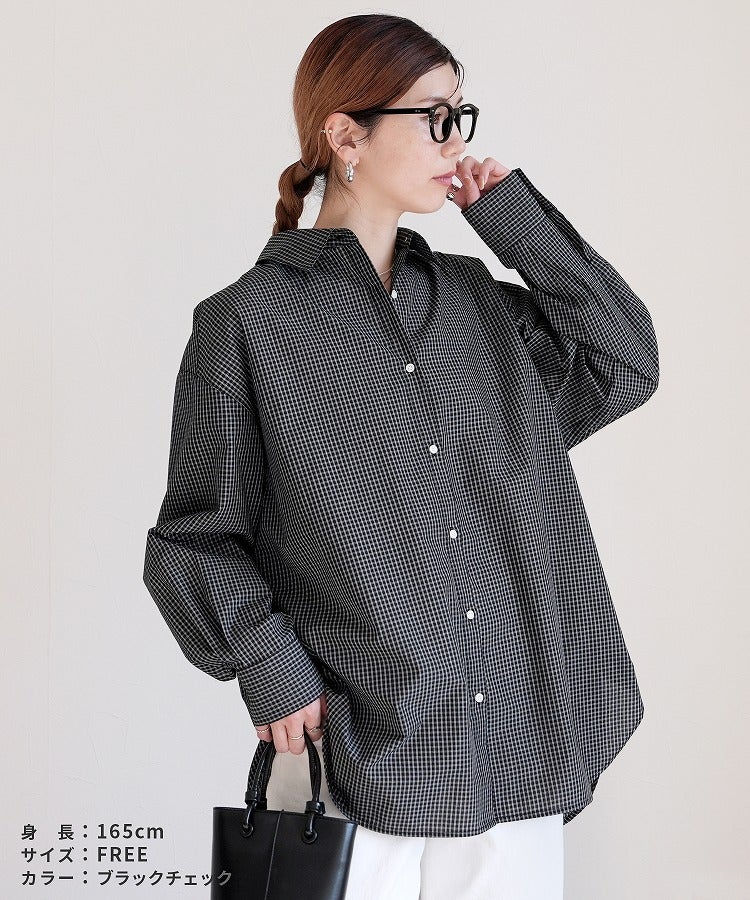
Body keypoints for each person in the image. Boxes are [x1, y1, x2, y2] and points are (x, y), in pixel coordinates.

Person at [142, 13, 659, 900]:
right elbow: (197, 536)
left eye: (461, 115)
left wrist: (513, 221)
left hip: (517, 742)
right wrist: (270, 668)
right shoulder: (247, 325)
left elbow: (624, 361)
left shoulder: (477, 305)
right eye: (434, 117)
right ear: (347, 136)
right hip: (357, 747)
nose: (455, 140)